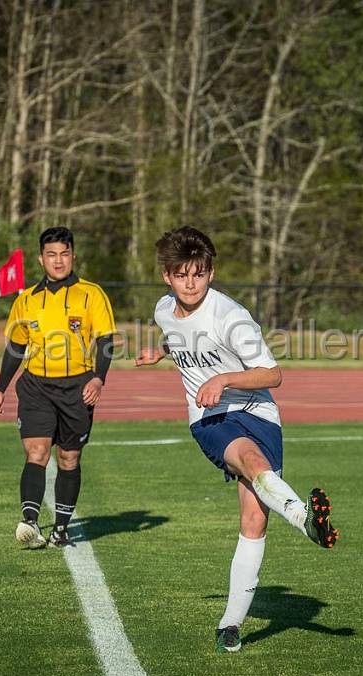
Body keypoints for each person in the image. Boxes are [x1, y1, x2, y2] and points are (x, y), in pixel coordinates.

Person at [134, 225, 338, 654]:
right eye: (182, 275)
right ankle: (306, 522)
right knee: (250, 461)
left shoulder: (231, 316)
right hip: (210, 418)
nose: (191, 283)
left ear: (210, 272)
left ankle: (230, 624)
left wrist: (224, 377)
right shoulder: (163, 310)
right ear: (167, 276)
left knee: (255, 520)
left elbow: (273, 374)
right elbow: (180, 337)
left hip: (259, 412)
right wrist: (161, 352)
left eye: (200, 274)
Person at [0, 226, 117, 549]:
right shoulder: (27, 300)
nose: (58, 261)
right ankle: (30, 522)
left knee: (69, 458)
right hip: (36, 387)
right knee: (36, 452)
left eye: (64, 254)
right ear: (40, 259)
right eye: (51, 255)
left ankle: (61, 528)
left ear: (73, 256)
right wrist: (0, 388)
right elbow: (15, 347)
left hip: (78, 387)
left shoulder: (91, 294)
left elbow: (105, 340)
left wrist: (98, 378)